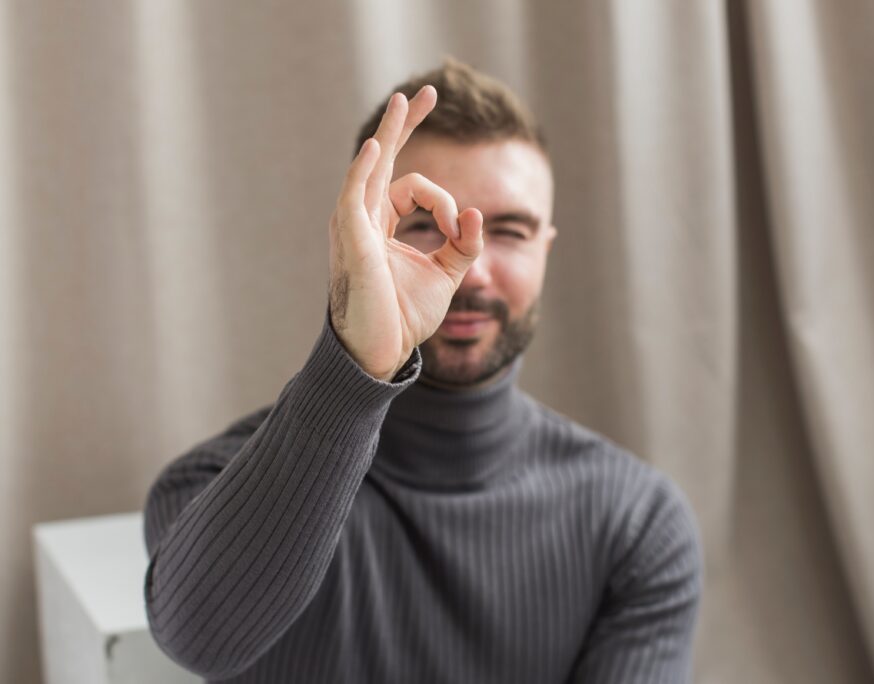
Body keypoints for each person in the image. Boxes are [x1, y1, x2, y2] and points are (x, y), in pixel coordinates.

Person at [143, 59, 702, 683]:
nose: (471, 269)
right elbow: (199, 643)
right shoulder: (211, 483)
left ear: (545, 248)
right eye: (424, 224)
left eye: (510, 231)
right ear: (360, 237)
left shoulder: (636, 522)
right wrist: (359, 358)